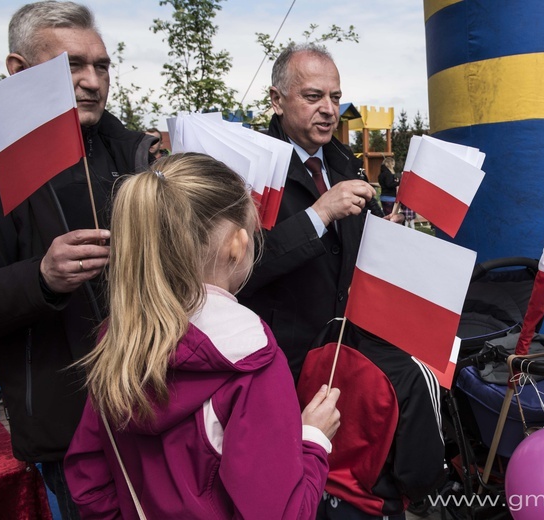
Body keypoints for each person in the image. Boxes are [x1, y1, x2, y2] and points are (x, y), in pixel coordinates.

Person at [63, 153, 341, 518]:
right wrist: (314, 440)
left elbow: (89, 483)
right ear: (237, 245)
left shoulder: (118, 341)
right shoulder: (251, 362)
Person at [0, 2, 156, 518]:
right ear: (18, 72)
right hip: (69, 427)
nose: (92, 81)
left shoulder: (135, 154)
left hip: (154, 406)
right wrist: (41, 277)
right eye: (71, 66)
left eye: (101, 66)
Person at [238, 42, 402, 379]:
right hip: (283, 364)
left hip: (349, 352)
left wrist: (382, 233)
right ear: (276, 99)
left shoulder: (347, 165)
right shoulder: (249, 170)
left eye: (336, 97)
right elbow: (242, 267)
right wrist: (319, 214)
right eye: (313, 97)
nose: (329, 109)